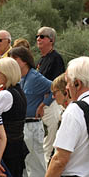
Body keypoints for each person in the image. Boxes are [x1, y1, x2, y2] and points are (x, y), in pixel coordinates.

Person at [9, 46, 53, 177]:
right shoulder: (20, 78)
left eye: (15, 60)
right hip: (22, 125)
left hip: (33, 124)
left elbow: (54, 88)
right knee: (23, 165)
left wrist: (44, 104)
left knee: (36, 165)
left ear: (24, 61)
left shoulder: (35, 78)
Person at [36, 26, 65, 163]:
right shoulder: (41, 60)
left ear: (51, 40)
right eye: (37, 36)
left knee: (48, 146)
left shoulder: (56, 59)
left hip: (50, 105)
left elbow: (55, 86)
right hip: (41, 107)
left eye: (42, 36)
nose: (38, 39)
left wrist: (43, 104)